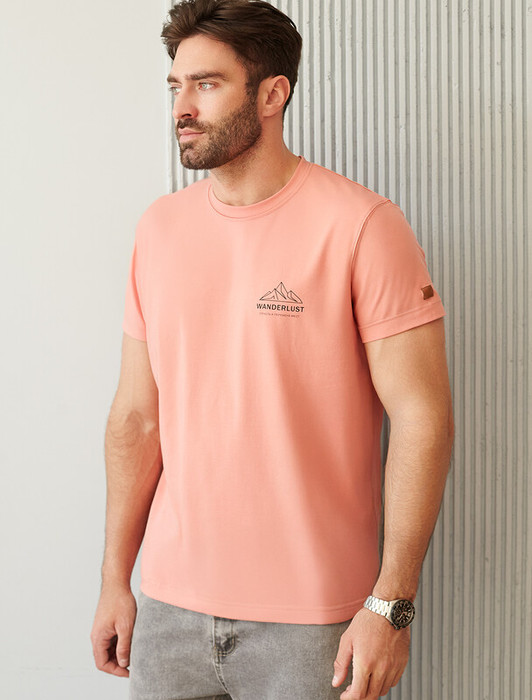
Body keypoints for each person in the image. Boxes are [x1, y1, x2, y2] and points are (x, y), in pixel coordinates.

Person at [90, 1, 454, 698]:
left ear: (272, 94)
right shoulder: (159, 230)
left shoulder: (362, 225)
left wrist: (392, 605)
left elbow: (423, 419)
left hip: (312, 624)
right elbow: (137, 419)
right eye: (176, 86)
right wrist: (115, 579)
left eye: (207, 84)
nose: (182, 107)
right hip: (167, 613)